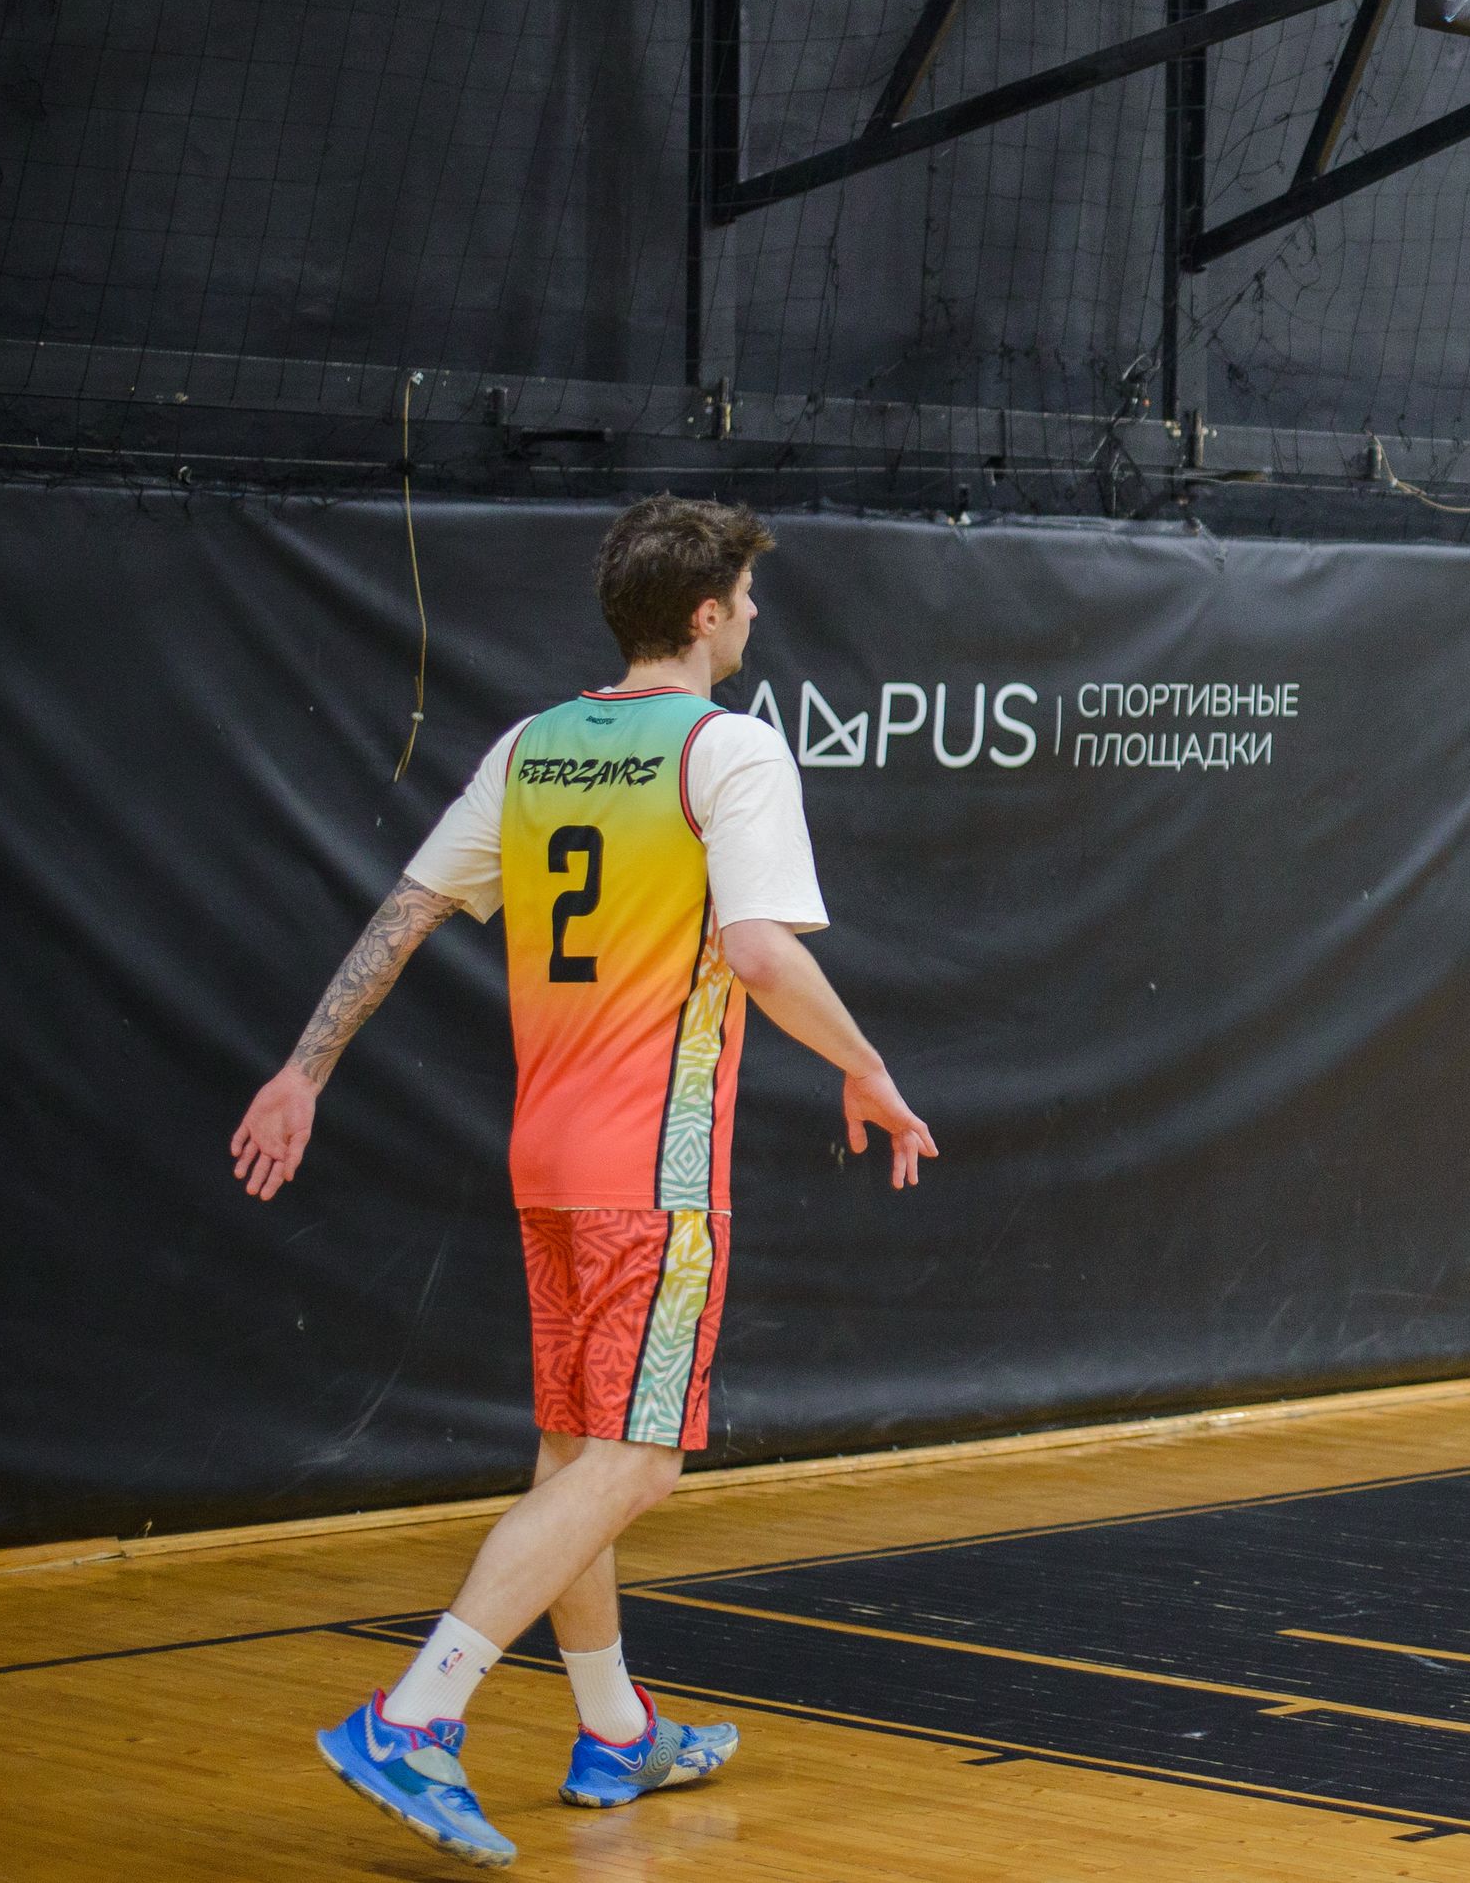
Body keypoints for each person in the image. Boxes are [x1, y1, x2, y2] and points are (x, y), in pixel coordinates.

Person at [230, 496, 939, 1871]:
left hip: (546, 1160)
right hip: (650, 1168)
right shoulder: (729, 748)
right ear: (705, 615)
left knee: (575, 1453)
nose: (755, 613)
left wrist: (303, 1070)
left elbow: (406, 913)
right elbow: (760, 951)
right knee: (639, 1454)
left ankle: (615, 1729)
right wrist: (867, 1067)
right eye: (746, 595)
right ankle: (415, 1715)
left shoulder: (532, 745)